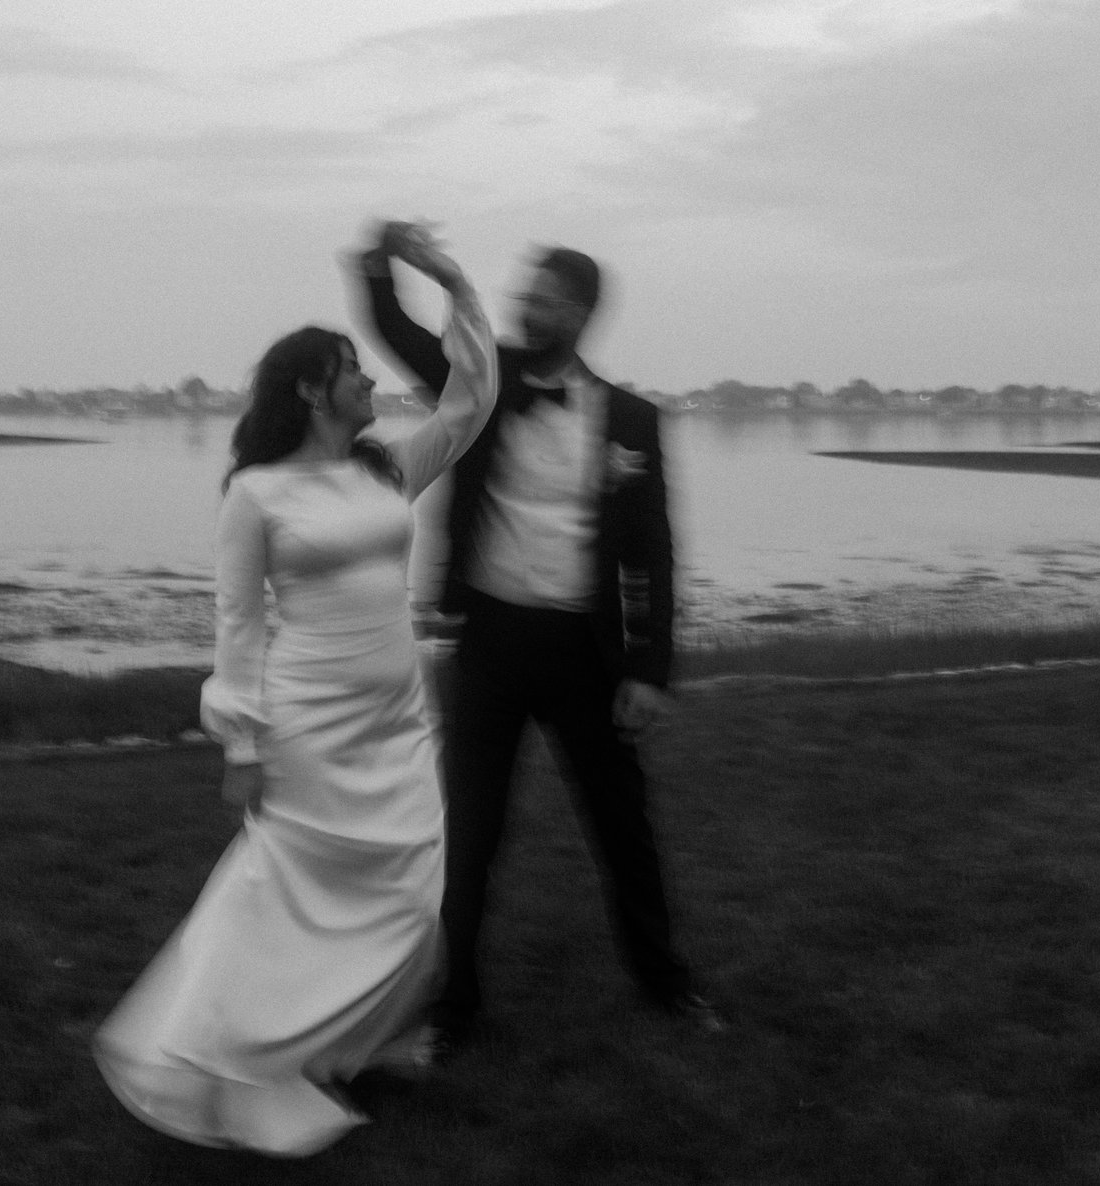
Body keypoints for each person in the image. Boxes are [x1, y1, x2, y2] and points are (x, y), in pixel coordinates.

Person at [92, 225, 496, 1158]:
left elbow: (471, 403)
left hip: (399, 721)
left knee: (408, 892)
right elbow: (236, 624)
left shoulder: (383, 469)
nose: (371, 384)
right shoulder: (257, 495)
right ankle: (227, 1048)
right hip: (309, 723)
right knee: (289, 895)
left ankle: (362, 1037)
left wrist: (447, 281)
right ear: (313, 390)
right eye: (353, 372)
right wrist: (241, 744)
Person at [355, 227, 725, 1054]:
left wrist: (649, 670)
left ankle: (667, 985)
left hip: (587, 656)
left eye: (546, 297)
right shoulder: (486, 385)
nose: (528, 305)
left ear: (583, 312)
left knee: (623, 829)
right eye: (525, 293)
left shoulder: (633, 420)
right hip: (489, 644)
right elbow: (403, 334)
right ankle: (456, 1005)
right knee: (471, 833)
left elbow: (654, 554)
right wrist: (383, 261)